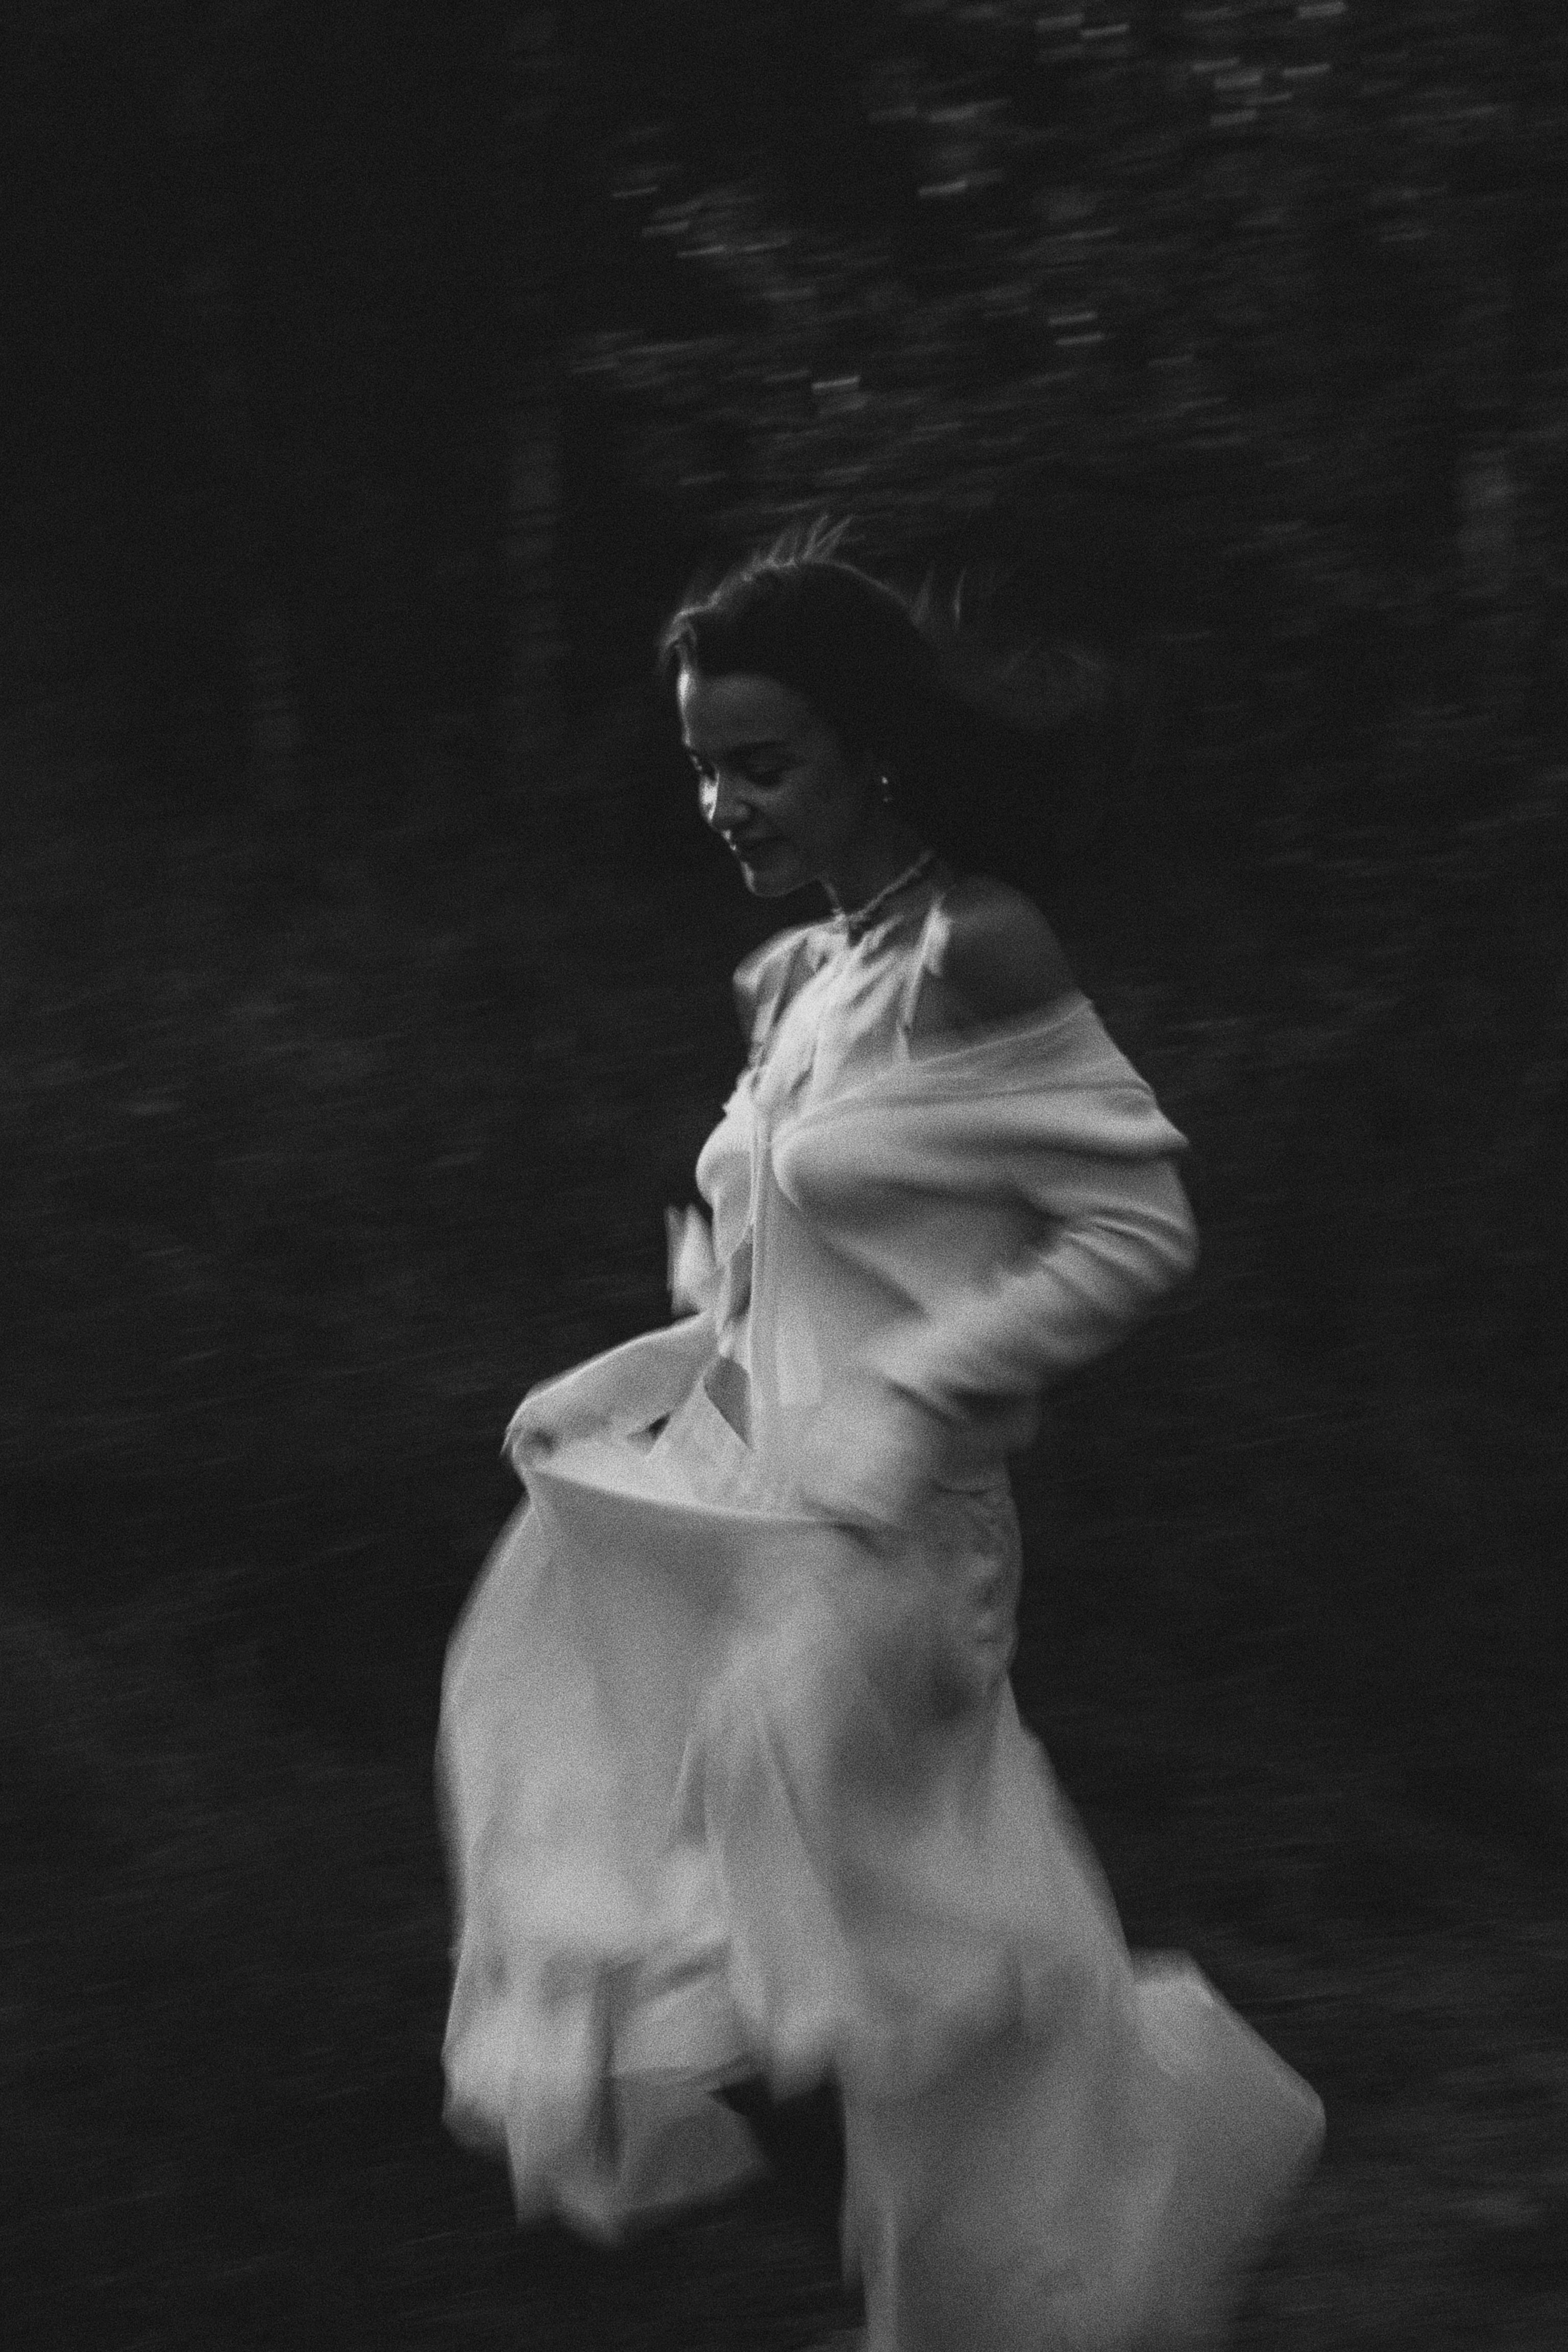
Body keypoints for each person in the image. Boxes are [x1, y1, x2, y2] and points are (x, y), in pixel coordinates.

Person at [438, 530, 1325, 2351]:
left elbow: (1138, 1227)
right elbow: (778, 1275)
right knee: (830, 1975)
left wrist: (922, 1394)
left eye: (763, 763)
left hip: (899, 1550)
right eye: (704, 765)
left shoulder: (976, 953)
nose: (724, 804)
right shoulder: (794, 986)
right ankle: (1009, 2269)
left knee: (785, 1889)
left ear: (869, 746)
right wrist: (638, 1380)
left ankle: (1006, 2217)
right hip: (760, 1510)